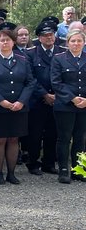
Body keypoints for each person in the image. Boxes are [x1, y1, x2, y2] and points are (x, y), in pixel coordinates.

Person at [0, 28, 36, 184]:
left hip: (18, 107)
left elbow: (30, 82)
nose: (5, 42)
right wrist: (1, 101)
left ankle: (11, 173)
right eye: (2, 40)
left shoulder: (23, 60)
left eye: (8, 40)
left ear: (13, 42)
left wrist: (21, 101)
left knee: (13, 139)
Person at [25, 20, 66, 176]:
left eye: (51, 34)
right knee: (35, 133)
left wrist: (56, 95)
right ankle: (33, 162)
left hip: (58, 99)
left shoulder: (62, 52)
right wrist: (44, 94)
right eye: (46, 35)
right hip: (37, 100)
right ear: (39, 37)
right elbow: (30, 77)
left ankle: (49, 163)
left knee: (53, 132)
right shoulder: (30, 53)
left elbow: (66, 77)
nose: (49, 37)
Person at [50, 29, 86, 183]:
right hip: (65, 105)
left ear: (84, 42)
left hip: (84, 105)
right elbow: (56, 82)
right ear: (68, 43)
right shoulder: (59, 59)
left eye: (79, 41)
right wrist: (72, 98)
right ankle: (63, 169)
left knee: (80, 138)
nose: (76, 44)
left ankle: (78, 169)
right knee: (64, 138)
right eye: (73, 41)